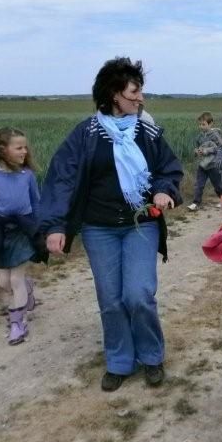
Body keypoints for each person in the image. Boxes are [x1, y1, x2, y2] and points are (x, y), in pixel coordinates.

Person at [39, 57, 183, 392]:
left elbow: (168, 168)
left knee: (138, 294)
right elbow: (62, 178)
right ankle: (120, 360)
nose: (140, 98)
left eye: (141, 91)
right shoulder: (86, 134)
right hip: (98, 228)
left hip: (140, 224)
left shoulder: (147, 131)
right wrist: (56, 225)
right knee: (111, 298)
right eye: (135, 92)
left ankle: (151, 355)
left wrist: (163, 190)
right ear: (114, 94)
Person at [0, 127, 41, 345]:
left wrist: (42, 228)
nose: (24, 151)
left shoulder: (27, 175)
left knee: (15, 279)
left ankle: (17, 323)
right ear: (3, 150)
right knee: (4, 281)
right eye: (19, 147)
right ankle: (28, 288)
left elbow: (36, 203)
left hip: (22, 230)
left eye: (25, 147)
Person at [187, 112, 222, 212]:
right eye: (200, 124)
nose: (201, 126)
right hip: (202, 165)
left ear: (210, 124)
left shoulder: (215, 135)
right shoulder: (200, 136)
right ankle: (196, 203)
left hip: (213, 164)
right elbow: (198, 146)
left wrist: (207, 150)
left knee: (217, 184)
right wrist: (196, 151)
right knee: (199, 184)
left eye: (203, 124)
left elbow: (220, 148)